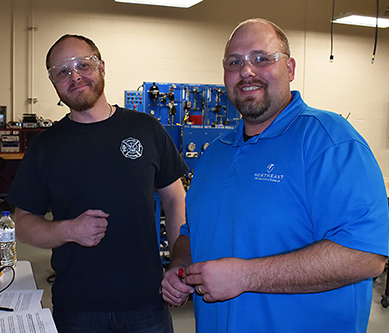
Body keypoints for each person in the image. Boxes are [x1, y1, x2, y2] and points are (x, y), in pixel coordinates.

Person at [161, 18, 389, 332]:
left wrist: (246, 276)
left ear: (290, 68)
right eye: (234, 62)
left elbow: (366, 255)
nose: (246, 71)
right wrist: (181, 265)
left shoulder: (330, 140)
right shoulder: (215, 153)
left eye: (262, 58)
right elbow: (191, 231)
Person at [5, 34, 187, 332]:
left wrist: (179, 262)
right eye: (61, 71)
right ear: (54, 83)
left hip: (147, 303)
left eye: (83, 65)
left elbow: (175, 198)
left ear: (101, 66)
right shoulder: (44, 147)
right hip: (78, 308)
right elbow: (23, 225)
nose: (74, 76)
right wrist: (69, 230)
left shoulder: (146, 129)